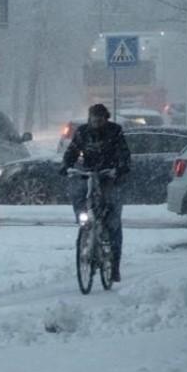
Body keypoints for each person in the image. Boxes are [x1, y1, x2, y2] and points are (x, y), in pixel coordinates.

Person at [59, 104, 131, 282]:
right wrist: (66, 165)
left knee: (113, 220)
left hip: (109, 176)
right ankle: (84, 223)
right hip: (89, 173)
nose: (95, 122)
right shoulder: (82, 132)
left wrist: (120, 168)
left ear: (105, 119)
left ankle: (114, 266)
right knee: (77, 193)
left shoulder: (115, 131)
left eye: (99, 119)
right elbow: (72, 151)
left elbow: (124, 153)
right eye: (92, 118)